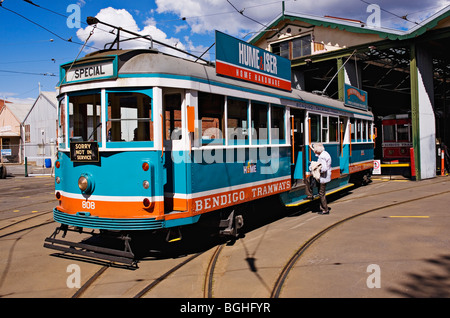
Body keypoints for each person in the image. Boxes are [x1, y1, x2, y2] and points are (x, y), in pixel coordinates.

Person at [304, 143, 332, 215]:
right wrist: (311, 148)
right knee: (308, 180)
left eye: (315, 150)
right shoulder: (324, 153)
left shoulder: (322, 157)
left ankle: (325, 210)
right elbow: (317, 152)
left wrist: (316, 168)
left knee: (321, 193)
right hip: (323, 177)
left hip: (322, 177)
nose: (315, 152)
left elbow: (324, 169)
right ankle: (310, 195)